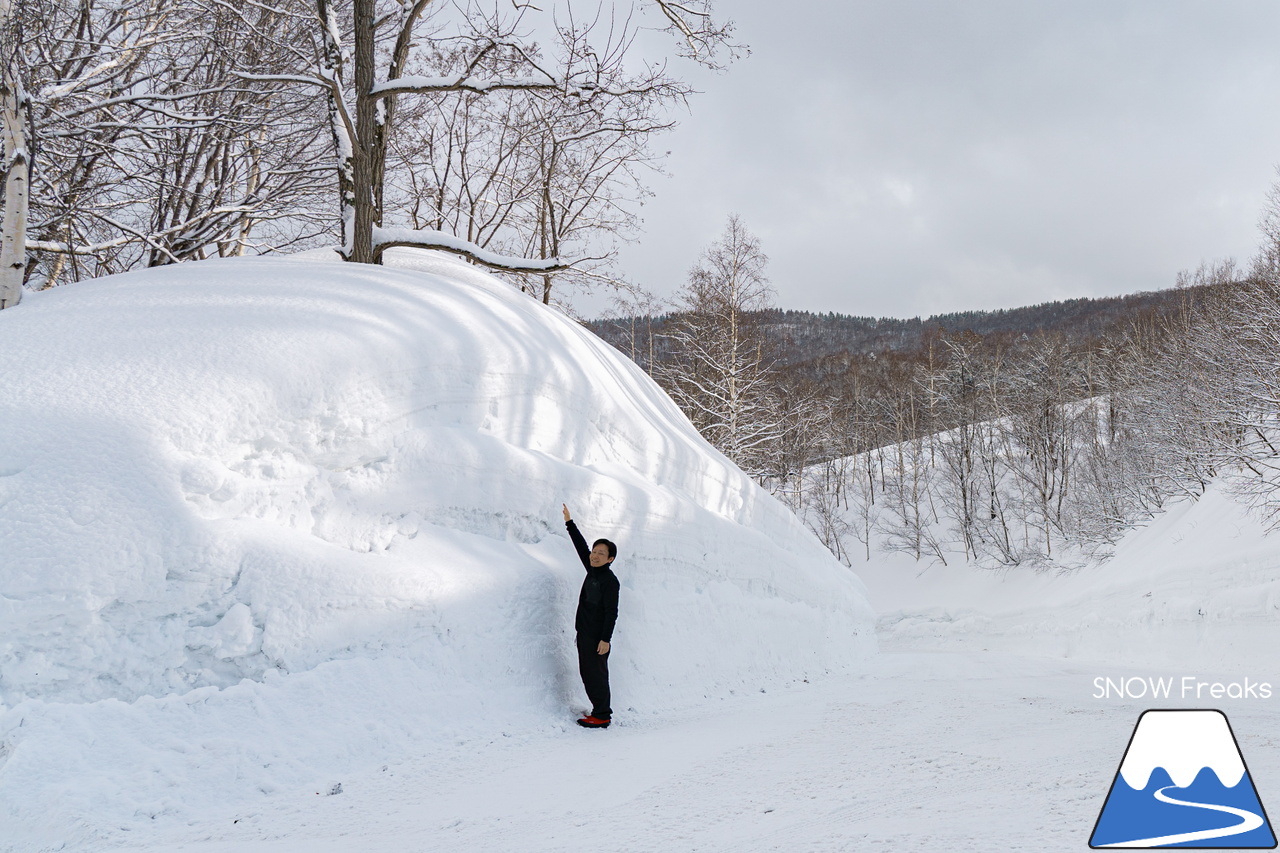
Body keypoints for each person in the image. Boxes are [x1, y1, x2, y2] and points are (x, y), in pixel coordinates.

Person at [562, 503, 619, 729]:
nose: (594, 555)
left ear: (610, 559)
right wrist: (569, 523)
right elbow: (580, 546)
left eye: (601, 553)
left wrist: (605, 639)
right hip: (585, 634)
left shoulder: (610, 581)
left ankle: (602, 715)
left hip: (597, 638)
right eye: (595, 552)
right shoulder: (592, 569)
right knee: (588, 674)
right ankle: (599, 711)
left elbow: (611, 612)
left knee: (596, 676)